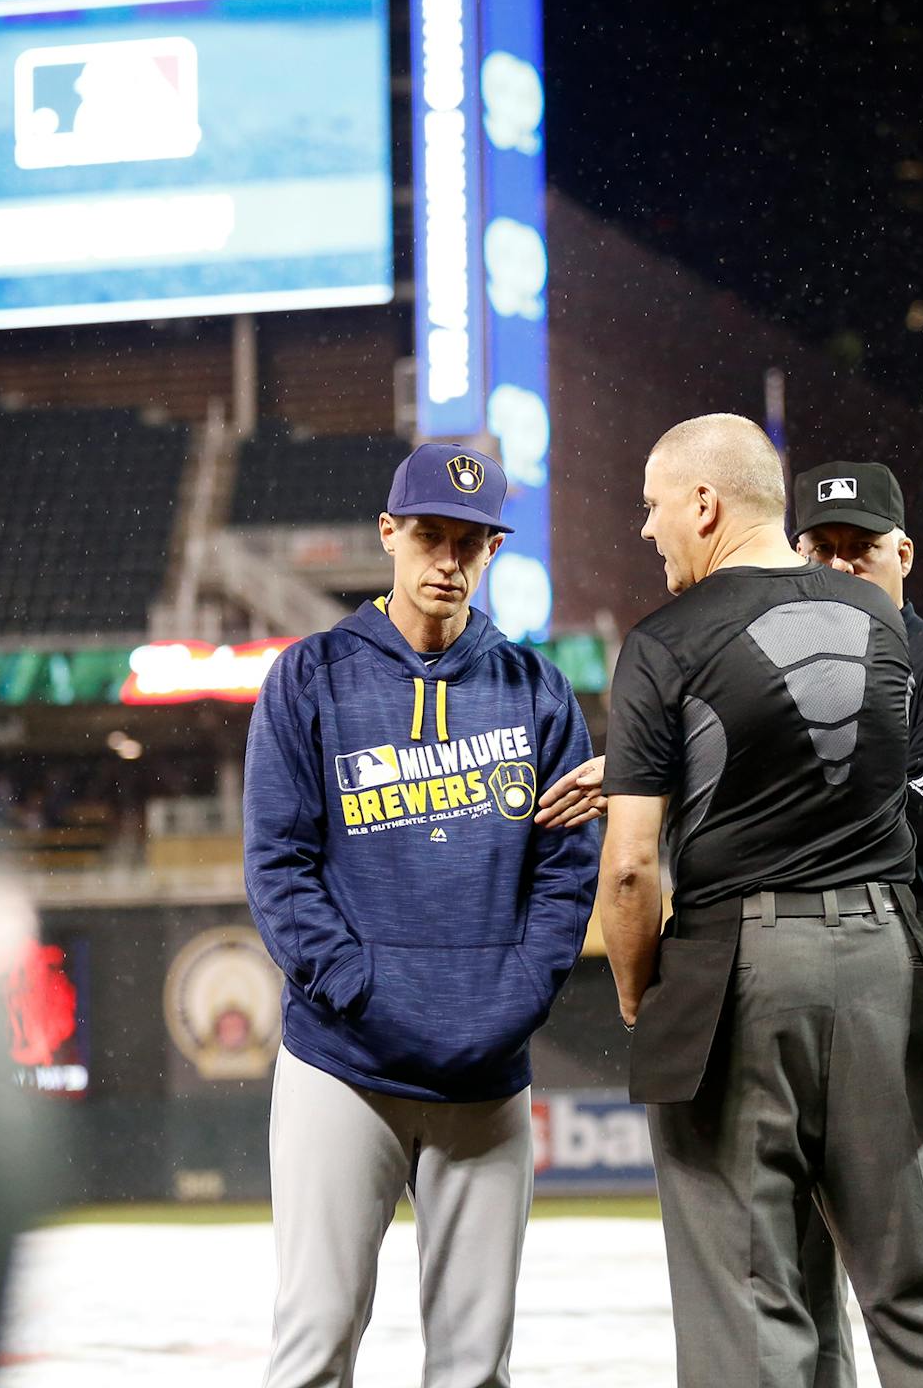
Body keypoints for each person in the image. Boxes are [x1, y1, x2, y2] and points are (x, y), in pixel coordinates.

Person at [590, 413, 923, 1388]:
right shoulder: (875, 620)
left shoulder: (664, 640)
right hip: (885, 953)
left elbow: (628, 870)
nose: (649, 529)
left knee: (753, 1301)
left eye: (655, 507)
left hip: (738, 967)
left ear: (704, 505)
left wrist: (636, 987)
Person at [242, 442, 601, 1388]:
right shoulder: (309, 678)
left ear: (491, 554)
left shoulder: (536, 691)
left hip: (486, 1066)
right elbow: (278, 870)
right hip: (342, 1060)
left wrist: (513, 998)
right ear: (389, 534)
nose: (449, 561)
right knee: (315, 1343)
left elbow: (566, 873)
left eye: (471, 544)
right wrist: (363, 991)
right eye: (431, 537)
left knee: (475, 1366)